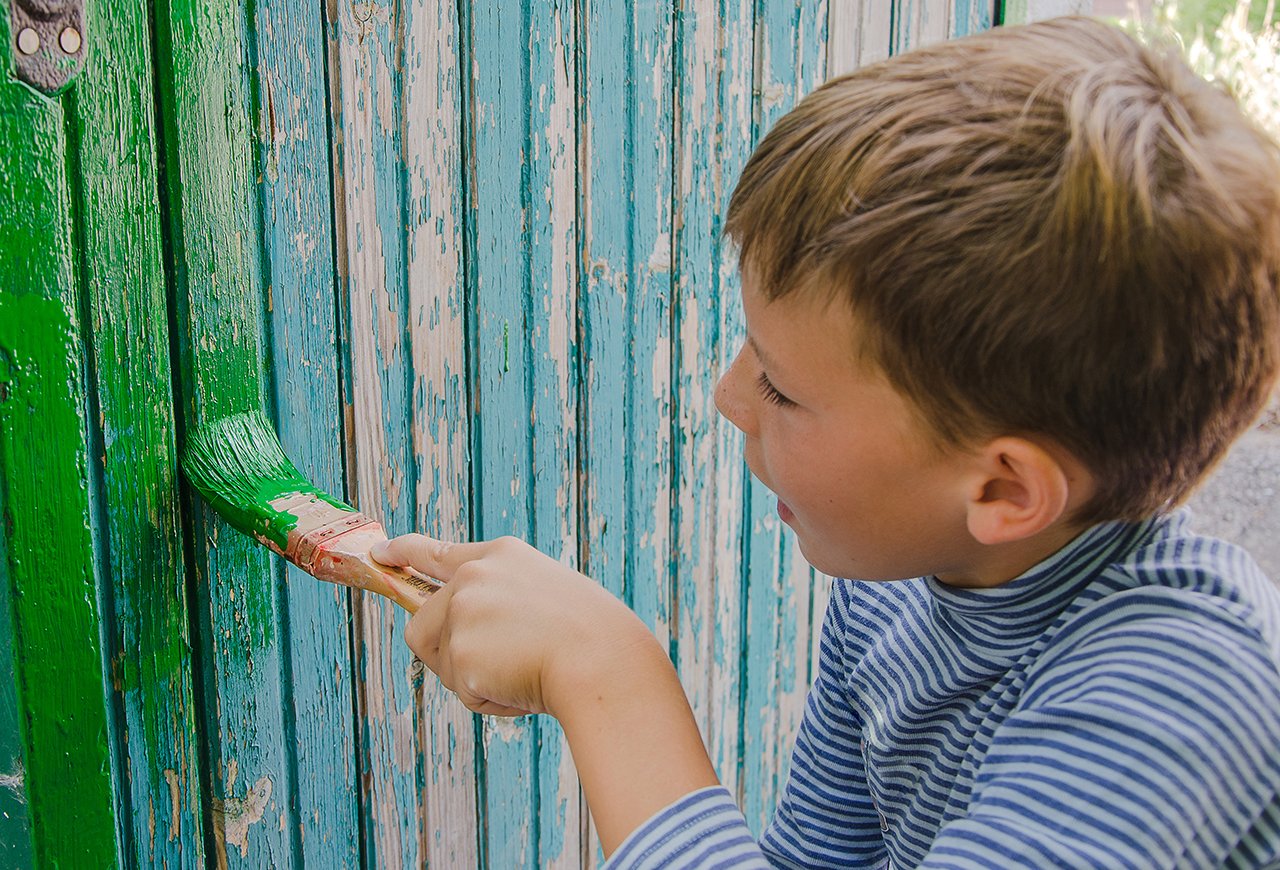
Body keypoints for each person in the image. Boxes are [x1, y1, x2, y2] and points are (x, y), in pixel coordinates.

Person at [371, 16, 1280, 867]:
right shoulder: (895, 597)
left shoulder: (1186, 688)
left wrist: (603, 672)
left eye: (781, 386)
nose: (729, 397)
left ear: (1004, 492)